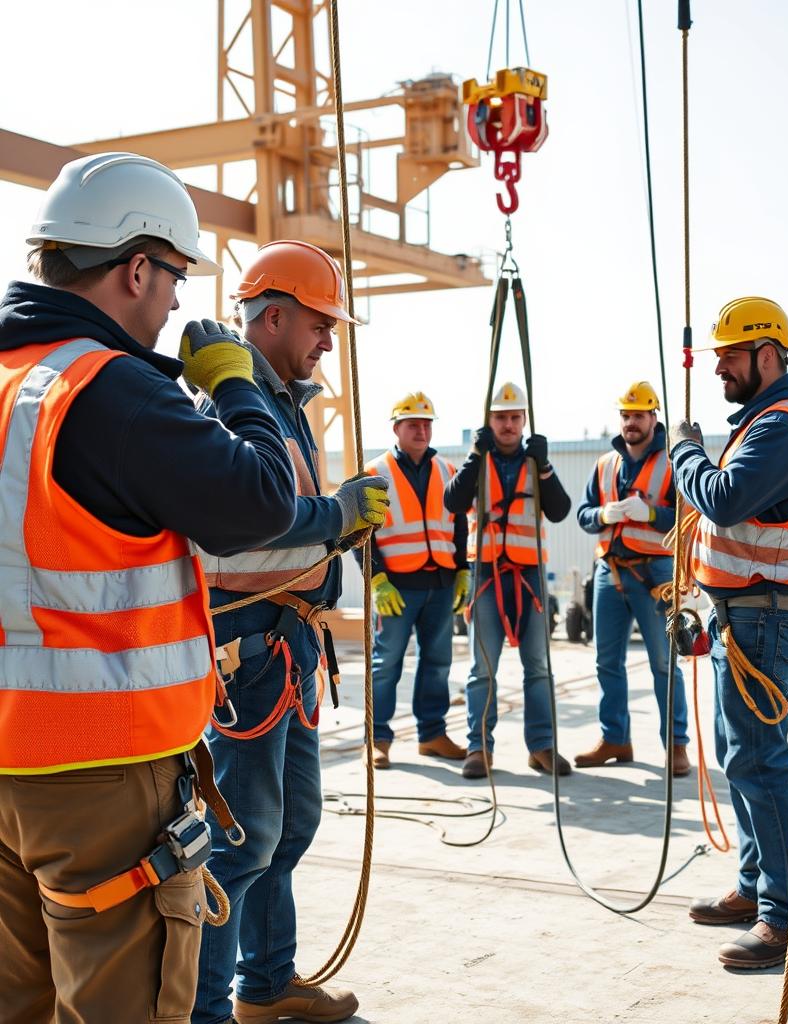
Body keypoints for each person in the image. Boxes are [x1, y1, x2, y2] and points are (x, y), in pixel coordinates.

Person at [0, 152, 298, 1024]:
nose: (173, 305)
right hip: (102, 774)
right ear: (136, 268)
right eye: (171, 278)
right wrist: (236, 384)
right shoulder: (110, 389)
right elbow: (260, 504)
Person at [190, 240, 389, 1024]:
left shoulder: (283, 409)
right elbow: (230, 540)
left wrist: (338, 530)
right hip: (250, 652)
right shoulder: (232, 413)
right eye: (319, 324)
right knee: (242, 840)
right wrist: (334, 517)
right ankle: (208, 1010)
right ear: (271, 317)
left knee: (290, 825)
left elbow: (287, 524)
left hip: (290, 646)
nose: (329, 341)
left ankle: (265, 986)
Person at [670, 297, 788, 968]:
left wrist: (684, 454)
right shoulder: (764, 421)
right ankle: (756, 885)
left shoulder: (784, 427)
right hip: (744, 617)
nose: (720, 370)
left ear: (769, 355)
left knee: (762, 764)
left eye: (730, 357)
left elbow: (726, 497)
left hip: (764, 617)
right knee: (743, 758)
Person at [444, 381, 573, 778]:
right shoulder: (478, 461)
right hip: (486, 573)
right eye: (501, 417)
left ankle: (543, 747)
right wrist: (472, 457)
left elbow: (560, 510)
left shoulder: (536, 462)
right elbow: (453, 501)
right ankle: (479, 748)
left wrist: (546, 467)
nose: (508, 425)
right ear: (490, 421)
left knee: (538, 666)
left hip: (528, 573)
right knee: (483, 667)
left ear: (524, 421)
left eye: (515, 417)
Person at [575, 381, 690, 774]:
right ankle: (615, 739)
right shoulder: (605, 465)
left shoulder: (674, 464)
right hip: (610, 571)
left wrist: (653, 515)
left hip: (655, 573)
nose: (630, 422)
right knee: (607, 661)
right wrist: (604, 514)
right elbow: (583, 514)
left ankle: (676, 745)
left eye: (638, 415)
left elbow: (689, 521)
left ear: (654, 418)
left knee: (663, 663)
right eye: (625, 415)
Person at [360, 391, 470, 768]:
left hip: (440, 584)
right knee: (386, 662)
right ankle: (377, 739)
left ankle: (433, 734)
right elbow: (362, 534)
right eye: (413, 424)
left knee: (437, 661)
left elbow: (458, 525)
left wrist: (463, 570)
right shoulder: (375, 474)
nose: (422, 431)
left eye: (427, 424)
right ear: (397, 428)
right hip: (397, 586)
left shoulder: (449, 471)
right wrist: (376, 580)